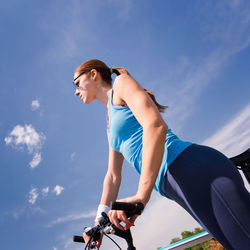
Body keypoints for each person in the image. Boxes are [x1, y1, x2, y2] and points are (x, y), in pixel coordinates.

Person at [73, 59, 250, 250]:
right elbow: (113, 177)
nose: (76, 91)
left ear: (93, 74)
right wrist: (99, 222)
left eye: (77, 83)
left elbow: (155, 126)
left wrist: (142, 195)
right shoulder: (110, 124)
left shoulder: (121, 84)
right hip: (176, 184)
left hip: (189, 167)